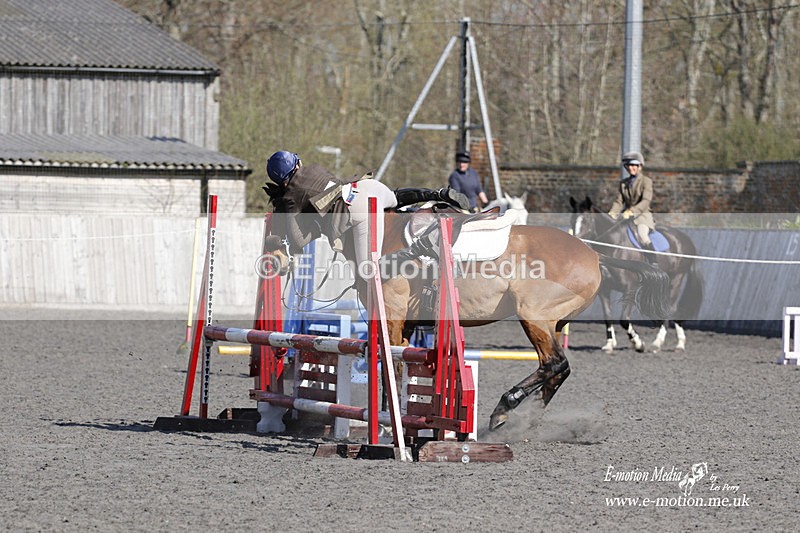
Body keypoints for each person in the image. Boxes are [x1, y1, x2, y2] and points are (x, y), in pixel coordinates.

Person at [262, 150, 469, 278]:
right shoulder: (314, 167)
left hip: (357, 208)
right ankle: (437, 194)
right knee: (395, 199)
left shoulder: (290, 197)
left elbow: (297, 240)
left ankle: (420, 248)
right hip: (366, 185)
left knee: (370, 271)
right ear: (296, 163)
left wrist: (309, 232)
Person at [608, 151, 657, 259]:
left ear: (640, 166)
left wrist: (632, 211)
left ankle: (653, 261)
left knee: (642, 235)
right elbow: (619, 201)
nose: (631, 168)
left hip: (642, 217)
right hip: (625, 217)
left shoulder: (646, 181)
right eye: (628, 165)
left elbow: (645, 200)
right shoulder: (623, 183)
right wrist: (613, 213)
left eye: (634, 165)